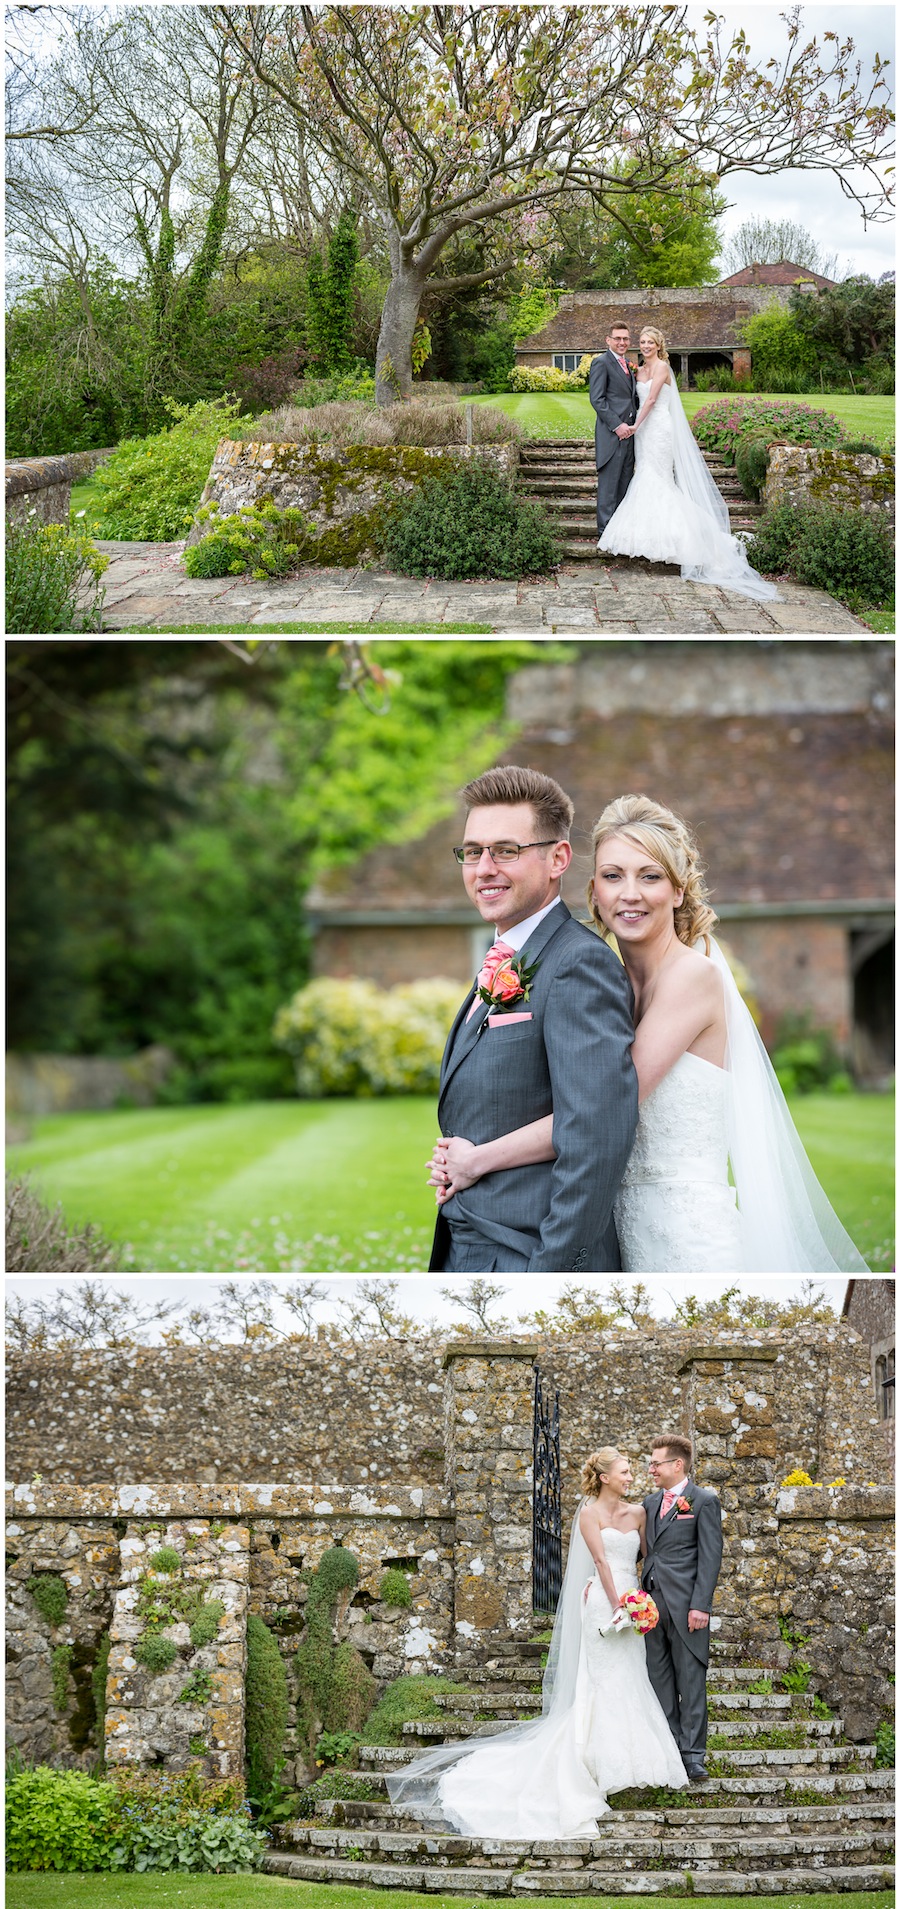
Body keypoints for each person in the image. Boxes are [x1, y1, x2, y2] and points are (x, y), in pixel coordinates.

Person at [430, 793, 871, 1274]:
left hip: (683, 1234)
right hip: (622, 1231)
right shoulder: (609, 978)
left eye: (651, 876)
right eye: (613, 876)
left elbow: (601, 1112)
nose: (630, 894)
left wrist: (480, 1160)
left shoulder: (691, 980)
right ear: (594, 889)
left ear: (679, 890)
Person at [386, 1446, 690, 1837]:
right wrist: (618, 1605)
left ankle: (634, 1762)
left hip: (633, 1603)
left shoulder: (639, 1513)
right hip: (604, 1603)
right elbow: (599, 1563)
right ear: (604, 1477)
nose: (632, 1477)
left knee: (631, 1675)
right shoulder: (589, 1514)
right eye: (626, 1472)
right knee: (600, 1679)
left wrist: (642, 1602)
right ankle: (595, 1762)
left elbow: (649, 1558)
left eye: (632, 1471)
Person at [428, 764, 637, 1273]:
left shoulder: (577, 963)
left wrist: (551, 1275)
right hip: (472, 1246)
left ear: (557, 858)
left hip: (529, 1257)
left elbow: (595, 1135)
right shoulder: (508, 954)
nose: (484, 869)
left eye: (505, 850)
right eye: (473, 852)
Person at [597, 326, 780, 603]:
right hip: (643, 433)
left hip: (656, 428)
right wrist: (635, 427)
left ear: (659, 344)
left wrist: (635, 425)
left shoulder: (661, 369)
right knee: (645, 476)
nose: (645, 346)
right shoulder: (637, 369)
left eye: (650, 342)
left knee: (658, 479)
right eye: (642, 342)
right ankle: (649, 532)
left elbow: (652, 400)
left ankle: (678, 537)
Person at [642, 1435, 723, 1782]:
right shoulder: (647, 1504)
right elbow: (642, 1549)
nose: (650, 1469)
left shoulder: (703, 1501)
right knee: (658, 1681)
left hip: (688, 1608)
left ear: (678, 1464)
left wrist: (701, 1605)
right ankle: (669, 1750)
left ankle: (693, 1757)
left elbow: (710, 1556)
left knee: (690, 1682)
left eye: (656, 1463)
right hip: (649, 1609)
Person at [589, 322, 639, 538]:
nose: (622, 342)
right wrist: (617, 426)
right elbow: (597, 400)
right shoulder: (601, 363)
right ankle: (605, 533)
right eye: (617, 338)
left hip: (631, 435)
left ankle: (620, 532)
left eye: (625, 338)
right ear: (608, 340)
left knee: (625, 484)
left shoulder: (628, 363)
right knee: (609, 486)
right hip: (612, 434)